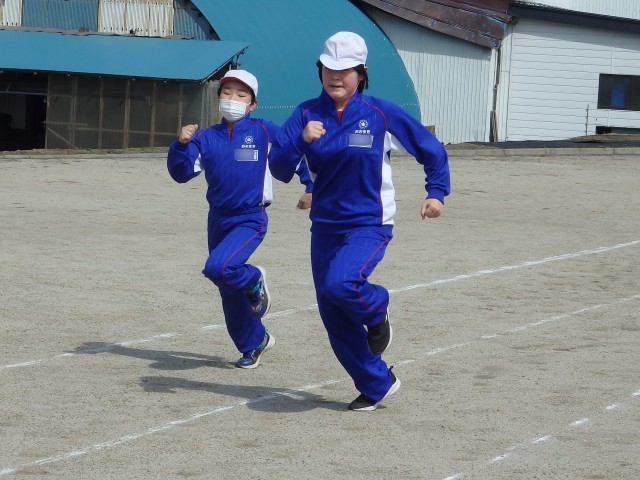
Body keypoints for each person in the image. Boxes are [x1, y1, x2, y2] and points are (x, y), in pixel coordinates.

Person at [269, 32, 450, 410]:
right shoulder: (305, 113)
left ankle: (377, 307)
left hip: (369, 223)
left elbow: (430, 148)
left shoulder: (380, 113)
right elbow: (279, 169)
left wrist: (436, 192)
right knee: (333, 315)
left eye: (345, 70)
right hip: (325, 226)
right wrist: (301, 140)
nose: (336, 76)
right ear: (320, 70)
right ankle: (377, 384)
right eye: (329, 68)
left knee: (341, 283)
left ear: (361, 73)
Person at [167, 69, 313, 369]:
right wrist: (180, 144)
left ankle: (255, 279)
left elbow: (295, 153)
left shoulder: (264, 131)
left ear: (252, 104)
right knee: (226, 286)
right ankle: (254, 342)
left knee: (218, 268)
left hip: (250, 217)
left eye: (241, 94)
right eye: (227, 92)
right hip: (218, 219)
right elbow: (182, 173)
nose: (232, 98)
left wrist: (311, 187)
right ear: (219, 97)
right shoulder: (205, 137)